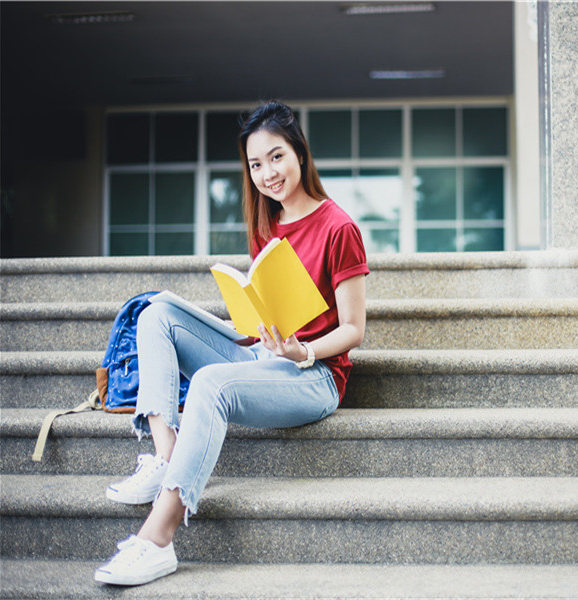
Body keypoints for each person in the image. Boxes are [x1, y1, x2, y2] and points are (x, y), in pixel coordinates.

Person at [94, 100, 369, 586]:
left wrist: (301, 351)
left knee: (210, 384)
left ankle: (157, 540)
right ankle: (166, 456)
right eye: (256, 164)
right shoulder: (267, 224)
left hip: (314, 376)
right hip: (265, 355)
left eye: (277, 156)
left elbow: (353, 330)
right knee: (156, 313)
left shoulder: (338, 227)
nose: (268, 173)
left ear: (299, 153)